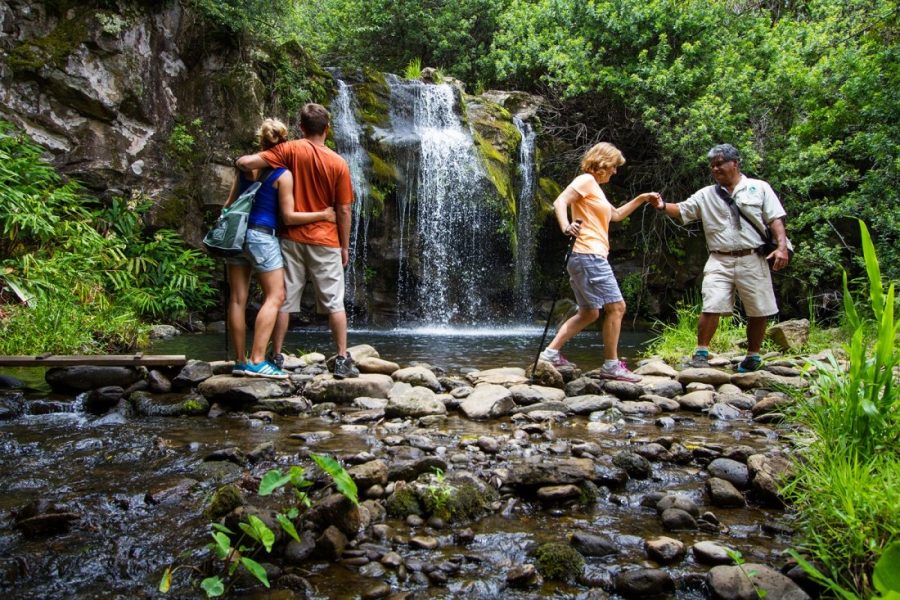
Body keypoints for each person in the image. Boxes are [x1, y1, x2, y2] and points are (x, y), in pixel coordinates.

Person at [236, 104, 358, 379]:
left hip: (290, 239)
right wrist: (344, 245)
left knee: (284, 301)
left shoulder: (289, 150)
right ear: (327, 129)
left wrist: (240, 165)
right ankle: (341, 358)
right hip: (326, 240)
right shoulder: (339, 163)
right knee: (334, 303)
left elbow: (249, 162)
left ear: (301, 127)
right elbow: (344, 209)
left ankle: (276, 355)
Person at [650, 143, 790, 372]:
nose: (715, 169)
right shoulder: (706, 195)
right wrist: (662, 206)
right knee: (711, 304)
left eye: (719, 164)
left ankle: (753, 356)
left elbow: (775, 220)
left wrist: (782, 248)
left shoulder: (759, 188)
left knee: (758, 308)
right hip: (719, 258)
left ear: (734, 163)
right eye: (712, 166)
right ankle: (701, 353)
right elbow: (683, 210)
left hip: (753, 257)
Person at [539, 142, 660, 382]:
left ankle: (550, 354)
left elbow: (615, 215)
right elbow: (560, 202)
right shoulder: (585, 180)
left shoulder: (595, 187)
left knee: (589, 313)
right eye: (614, 166)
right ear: (603, 163)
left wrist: (641, 198)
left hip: (584, 257)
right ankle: (611, 366)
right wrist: (566, 226)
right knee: (617, 307)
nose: (615, 172)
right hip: (588, 255)